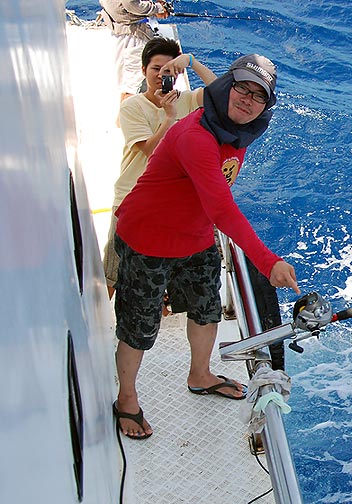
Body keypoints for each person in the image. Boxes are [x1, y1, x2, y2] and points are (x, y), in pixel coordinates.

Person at [111, 54, 301, 439]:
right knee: (139, 326)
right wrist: (268, 262)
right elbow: (222, 209)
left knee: (207, 311)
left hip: (196, 239)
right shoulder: (196, 136)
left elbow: (229, 95)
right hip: (149, 238)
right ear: (225, 88)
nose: (247, 100)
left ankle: (200, 375)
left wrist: (194, 62)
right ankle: (126, 399)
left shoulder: (233, 125)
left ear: (266, 106)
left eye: (258, 96)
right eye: (241, 89)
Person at [103, 37, 216, 298]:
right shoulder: (132, 107)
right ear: (143, 71)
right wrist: (169, 117)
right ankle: (103, 327)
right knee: (113, 272)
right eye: (156, 69)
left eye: (169, 70)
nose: (161, 75)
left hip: (169, 203)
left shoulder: (187, 100)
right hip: (131, 199)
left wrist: (191, 62)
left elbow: (222, 92)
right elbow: (151, 151)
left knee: (160, 278)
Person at [99, 0, 171, 101]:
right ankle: (126, 115)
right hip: (134, 37)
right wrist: (157, 8)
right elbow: (131, 4)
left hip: (118, 31)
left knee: (125, 83)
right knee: (133, 87)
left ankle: (124, 114)